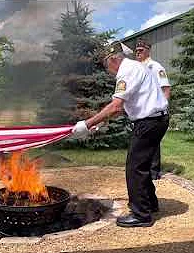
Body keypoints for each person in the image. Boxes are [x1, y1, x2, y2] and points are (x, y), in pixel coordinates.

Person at [72, 42, 169, 227]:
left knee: (134, 168)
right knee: (143, 164)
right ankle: (150, 204)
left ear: (113, 59)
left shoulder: (127, 71)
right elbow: (121, 107)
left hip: (149, 122)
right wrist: (100, 123)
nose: (107, 70)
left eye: (106, 65)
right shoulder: (135, 67)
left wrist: (86, 124)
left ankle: (141, 215)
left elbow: (116, 105)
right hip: (156, 120)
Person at [135, 39, 171, 180]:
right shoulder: (137, 68)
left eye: (141, 50)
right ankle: (144, 169)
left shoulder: (155, 67)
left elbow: (166, 88)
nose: (138, 53)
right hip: (141, 111)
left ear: (148, 50)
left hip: (154, 111)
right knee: (143, 142)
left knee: (153, 142)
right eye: (136, 51)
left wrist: (163, 107)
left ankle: (154, 171)